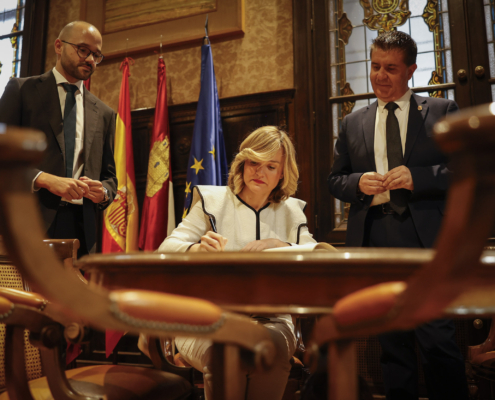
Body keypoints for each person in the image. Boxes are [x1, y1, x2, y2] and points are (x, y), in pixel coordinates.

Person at [328, 31, 468, 400]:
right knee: (392, 345)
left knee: (438, 340)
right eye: (375, 66)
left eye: (390, 68)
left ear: (411, 70)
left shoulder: (441, 111)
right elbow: (334, 180)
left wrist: (417, 177)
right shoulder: (353, 122)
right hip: (376, 239)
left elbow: (466, 172)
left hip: (426, 241)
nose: (380, 76)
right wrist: (358, 183)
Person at [158, 126, 316, 400]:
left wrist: (279, 245)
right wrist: (196, 248)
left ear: (282, 173)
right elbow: (165, 249)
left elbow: (318, 253)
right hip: (206, 319)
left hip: (272, 321)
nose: (260, 171)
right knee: (226, 351)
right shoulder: (212, 201)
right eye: (254, 162)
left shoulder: (290, 210)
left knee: (272, 349)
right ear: (242, 163)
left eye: (270, 166)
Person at [0, 21, 117, 257]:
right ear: (58, 46)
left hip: (83, 230)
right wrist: (43, 179)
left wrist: (103, 192)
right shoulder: (22, 91)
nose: (90, 60)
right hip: (28, 220)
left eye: (96, 55)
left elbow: (109, 177)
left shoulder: (104, 113)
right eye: (83, 50)